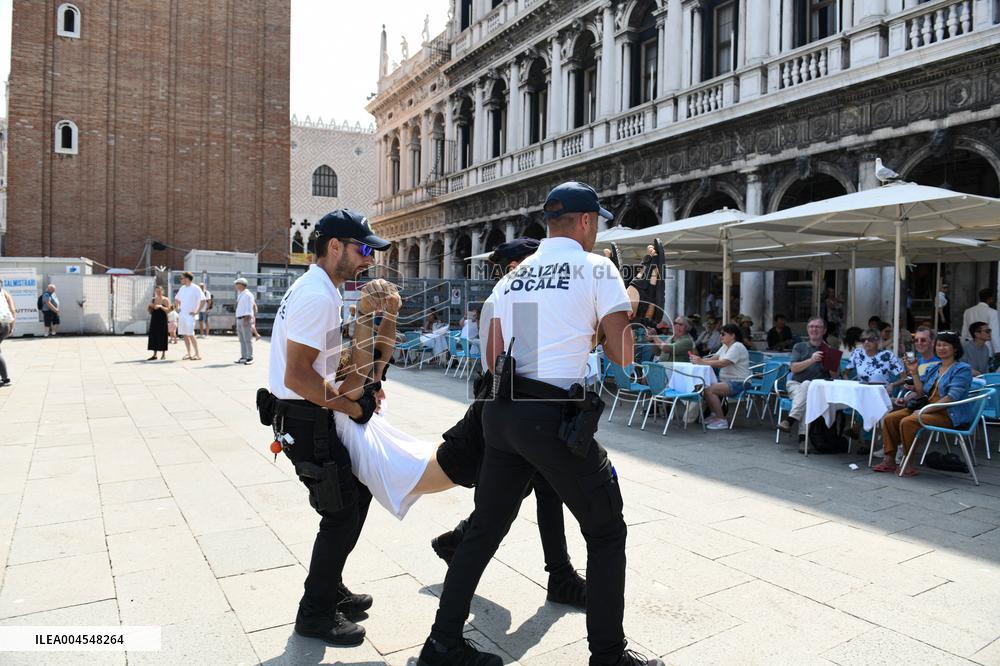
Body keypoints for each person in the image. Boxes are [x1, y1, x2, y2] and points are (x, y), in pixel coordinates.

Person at [420, 182, 661, 666]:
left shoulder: (515, 277)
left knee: (486, 528)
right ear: (587, 222)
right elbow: (622, 357)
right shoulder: (598, 269)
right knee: (607, 531)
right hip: (551, 417)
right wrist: (633, 306)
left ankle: (441, 643)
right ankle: (609, 656)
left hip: (503, 414)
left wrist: (589, 328)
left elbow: (512, 351)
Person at [432, 237, 587, 611]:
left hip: (518, 409)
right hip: (513, 409)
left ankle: (559, 574)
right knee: (502, 506)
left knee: (538, 494)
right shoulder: (507, 299)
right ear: (519, 264)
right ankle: (461, 556)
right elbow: (502, 361)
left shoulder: (511, 297)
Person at [261, 208, 392, 646]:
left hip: (310, 414)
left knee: (355, 497)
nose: (369, 259)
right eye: (363, 249)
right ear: (334, 246)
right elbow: (299, 375)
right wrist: (352, 409)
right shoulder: (317, 294)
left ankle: (329, 584)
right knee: (340, 513)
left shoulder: (323, 290)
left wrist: (363, 383)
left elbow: (323, 361)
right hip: (305, 417)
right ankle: (314, 613)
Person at [875, 332, 974, 475]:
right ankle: (889, 459)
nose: (941, 348)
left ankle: (907, 462)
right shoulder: (934, 367)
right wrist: (914, 373)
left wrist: (925, 410)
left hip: (948, 413)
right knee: (891, 418)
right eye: (939, 345)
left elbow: (952, 397)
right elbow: (922, 393)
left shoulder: (962, 369)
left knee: (908, 422)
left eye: (945, 345)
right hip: (926, 408)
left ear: (955, 348)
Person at [778, 317, 840, 436]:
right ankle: (803, 437)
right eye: (811, 326)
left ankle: (790, 420)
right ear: (807, 330)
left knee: (809, 388)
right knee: (808, 389)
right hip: (796, 385)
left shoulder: (830, 350)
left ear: (824, 331)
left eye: (818, 327)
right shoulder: (799, 346)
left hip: (819, 389)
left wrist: (831, 362)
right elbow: (794, 369)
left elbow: (835, 376)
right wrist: (811, 360)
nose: (814, 329)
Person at [691, 324, 751, 430]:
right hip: (726, 380)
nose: (720, 336)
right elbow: (715, 357)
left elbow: (723, 363)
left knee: (709, 389)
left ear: (732, 335)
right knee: (700, 385)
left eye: (723, 334)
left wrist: (701, 362)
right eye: (720, 334)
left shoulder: (737, 346)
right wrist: (699, 360)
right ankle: (715, 414)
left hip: (740, 382)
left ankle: (721, 420)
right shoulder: (725, 346)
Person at [174, 273, 205, 360]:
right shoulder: (182, 288)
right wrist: (177, 308)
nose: (181, 280)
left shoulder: (196, 288)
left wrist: (196, 311)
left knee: (191, 334)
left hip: (190, 316)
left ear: (187, 279)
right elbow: (176, 299)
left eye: (182, 278)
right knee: (184, 335)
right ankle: (189, 353)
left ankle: (197, 354)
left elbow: (203, 300)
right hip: (182, 315)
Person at [962, 288, 1000, 357]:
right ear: (990, 299)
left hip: (970, 347)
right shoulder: (992, 312)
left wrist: (962, 345)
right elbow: (994, 333)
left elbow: (964, 331)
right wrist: (998, 350)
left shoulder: (968, 311)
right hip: (986, 347)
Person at [234, 278, 256, 364]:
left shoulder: (248, 295)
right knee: (241, 339)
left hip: (245, 319)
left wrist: (246, 320)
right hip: (239, 318)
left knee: (247, 339)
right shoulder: (241, 294)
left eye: (237, 284)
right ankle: (243, 356)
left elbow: (248, 308)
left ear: (242, 284)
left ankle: (249, 357)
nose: (236, 286)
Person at [146, 286, 171, 360]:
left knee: (162, 335)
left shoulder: (165, 299)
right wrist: (150, 307)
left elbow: (169, 310)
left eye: (160, 291)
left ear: (162, 291)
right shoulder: (153, 299)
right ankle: (154, 354)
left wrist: (160, 306)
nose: (158, 293)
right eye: (157, 291)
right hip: (154, 319)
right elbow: (150, 311)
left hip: (162, 319)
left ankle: (163, 354)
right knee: (154, 335)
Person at [0, 284, 15, 386]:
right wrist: (12, 327)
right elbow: (13, 310)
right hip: (5, 325)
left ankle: (6, 378)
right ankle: (5, 378)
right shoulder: (4, 292)